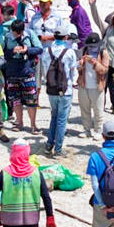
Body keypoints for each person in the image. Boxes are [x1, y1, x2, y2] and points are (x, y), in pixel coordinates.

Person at [42, 27, 78, 156]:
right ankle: (58, 149)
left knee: (54, 116)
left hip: (51, 88)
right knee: (62, 120)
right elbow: (73, 71)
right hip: (65, 89)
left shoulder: (47, 51)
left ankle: (49, 144)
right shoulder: (70, 52)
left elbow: (45, 70)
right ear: (66, 37)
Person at [2, 19, 42, 134]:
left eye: (18, 33)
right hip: (12, 72)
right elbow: (1, 53)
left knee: (31, 100)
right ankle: (19, 122)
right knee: (15, 100)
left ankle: (33, 125)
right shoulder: (7, 37)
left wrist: (27, 50)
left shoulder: (30, 34)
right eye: (15, 33)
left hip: (27, 71)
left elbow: (39, 49)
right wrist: (12, 51)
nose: (16, 35)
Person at [78, 32, 109, 139]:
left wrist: (95, 63)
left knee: (98, 110)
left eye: (93, 46)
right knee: (84, 109)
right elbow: (78, 68)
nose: (91, 48)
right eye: (90, 46)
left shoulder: (103, 53)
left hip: (97, 86)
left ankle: (98, 131)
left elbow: (104, 70)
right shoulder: (84, 51)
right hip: (84, 84)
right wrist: (81, 63)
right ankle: (86, 130)